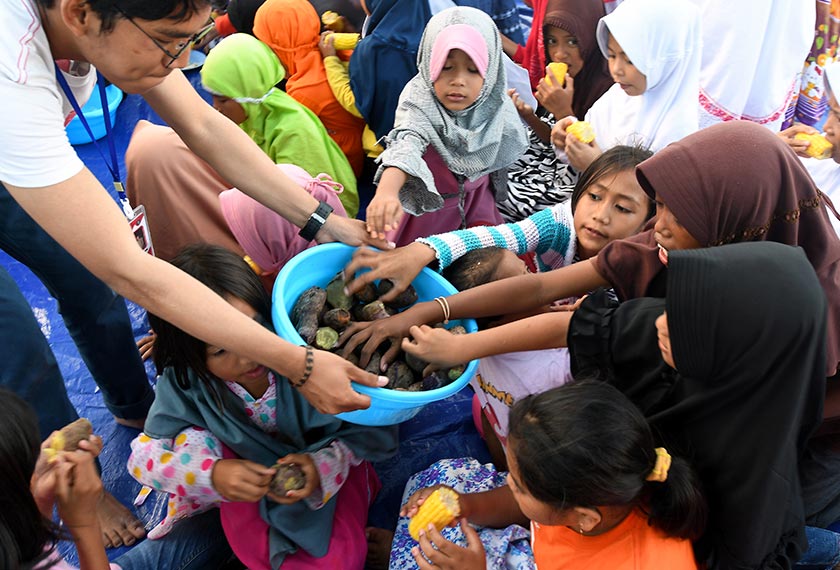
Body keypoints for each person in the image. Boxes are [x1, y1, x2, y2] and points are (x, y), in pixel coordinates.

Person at [1, 3, 391, 551]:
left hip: (17, 150)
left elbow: (204, 123)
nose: (184, 60)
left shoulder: (119, 29)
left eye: (194, 38)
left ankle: (131, 409)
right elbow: (134, 271)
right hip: (11, 137)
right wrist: (299, 363)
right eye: (169, 42)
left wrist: (323, 222)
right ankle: (74, 489)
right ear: (81, 14)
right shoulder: (11, 73)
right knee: (18, 348)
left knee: (88, 287)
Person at [127, 244, 399, 569]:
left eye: (252, 329)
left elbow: (364, 433)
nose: (247, 356)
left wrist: (318, 467)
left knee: (340, 559)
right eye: (220, 351)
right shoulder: (188, 382)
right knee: (258, 551)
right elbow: (142, 459)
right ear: (191, 355)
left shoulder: (304, 355)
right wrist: (213, 475)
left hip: (328, 474)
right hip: (249, 484)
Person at [568, 242, 827, 568]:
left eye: (684, 321)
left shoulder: (753, 494)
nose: (661, 322)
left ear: (738, 348)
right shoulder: (674, 340)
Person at [343, 144, 653, 363]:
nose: (600, 215)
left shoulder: (640, 274)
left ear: (648, 224)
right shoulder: (560, 224)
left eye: (622, 208)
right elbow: (500, 236)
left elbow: (584, 332)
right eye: (595, 196)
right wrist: (423, 250)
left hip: (584, 349)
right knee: (500, 263)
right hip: (542, 315)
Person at [388, 381, 705, 569]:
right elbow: (517, 500)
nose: (508, 481)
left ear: (584, 518)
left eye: (521, 486)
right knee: (439, 477)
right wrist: (464, 505)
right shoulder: (585, 495)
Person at [0, 388, 232, 570]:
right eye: (29, 459)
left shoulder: (12, 534)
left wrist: (41, 499)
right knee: (224, 524)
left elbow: (31, 546)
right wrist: (84, 523)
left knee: (215, 522)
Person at [365, 6, 529, 244]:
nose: (458, 81)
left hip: (477, 205)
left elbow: (500, 160)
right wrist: (387, 192)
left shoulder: (495, 102)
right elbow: (406, 144)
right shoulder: (419, 101)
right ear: (429, 62)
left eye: (473, 69)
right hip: (424, 216)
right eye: (446, 66)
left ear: (491, 70)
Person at [201, 33, 359, 216]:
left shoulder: (292, 131)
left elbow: (301, 200)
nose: (216, 107)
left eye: (222, 100)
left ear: (246, 95)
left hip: (322, 216)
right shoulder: (252, 115)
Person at [550, 0, 700, 173]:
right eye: (612, 55)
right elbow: (593, 140)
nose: (616, 70)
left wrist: (596, 168)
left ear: (666, 58)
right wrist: (569, 139)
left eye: (630, 60)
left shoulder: (678, 132)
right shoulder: (617, 95)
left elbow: (647, 196)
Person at [499, 0, 613, 222]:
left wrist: (564, 112)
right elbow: (552, 138)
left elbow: (591, 162)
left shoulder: (607, 88)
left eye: (572, 42)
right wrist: (529, 115)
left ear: (589, 37)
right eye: (552, 41)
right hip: (550, 166)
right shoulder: (560, 77)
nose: (560, 54)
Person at [253, 0, 367, 176]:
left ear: (279, 42)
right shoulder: (329, 48)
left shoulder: (304, 87)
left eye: (266, 41)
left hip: (343, 164)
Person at [348, 0, 433, 142]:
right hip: (430, 145)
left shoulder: (372, 50)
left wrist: (330, 60)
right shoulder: (438, 36)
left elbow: (357, 103)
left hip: (385, 149)